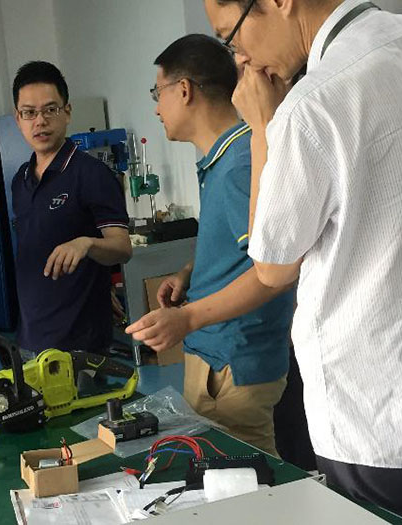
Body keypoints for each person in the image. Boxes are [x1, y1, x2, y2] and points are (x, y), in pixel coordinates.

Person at [204, 0, 402, 521]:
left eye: (231, 35)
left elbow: (273, 266)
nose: (240, 58)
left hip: (379, 423)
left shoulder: (314, 104)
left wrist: (263, 126)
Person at [126, 34, 294, 457]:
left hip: (232, 362)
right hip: (219, 355)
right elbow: (244, 249)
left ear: (184, 90)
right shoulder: (225, 158)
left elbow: (273, 273)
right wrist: (189, 273)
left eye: (158, 93)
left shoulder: (240, 164)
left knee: (247, 480)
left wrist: (186, 318)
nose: (156, 108)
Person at [10, 61, 132, 355]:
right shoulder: (20, 180)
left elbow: (122, 247)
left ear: (67, 112)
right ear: (18, 119)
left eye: (50, 109)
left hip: (79, 343)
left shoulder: (91, 174)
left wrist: (86, 244)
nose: (40, 121)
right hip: (30, 336)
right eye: (29, 112)